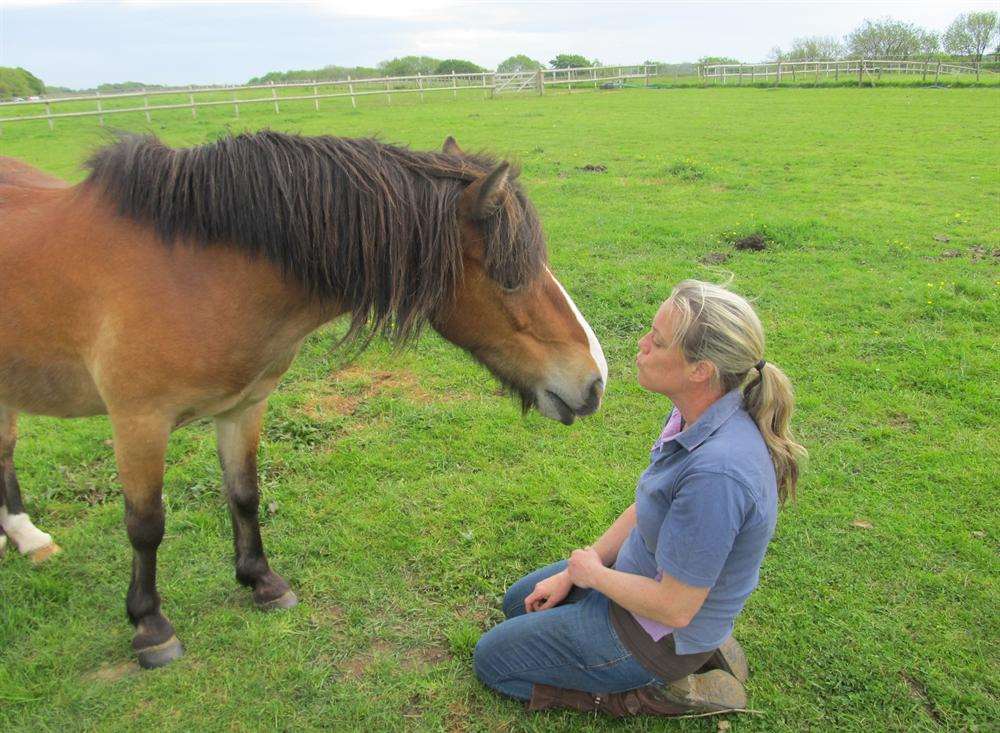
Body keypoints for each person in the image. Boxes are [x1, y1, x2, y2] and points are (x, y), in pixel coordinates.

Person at [474, 279, 807, 718]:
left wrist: (590, 574)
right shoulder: (698, 413)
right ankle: (700, 645)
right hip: (642, 581)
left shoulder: (718, 473)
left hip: (656, 632)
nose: (642, 343)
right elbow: (647, 506)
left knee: (493, 661)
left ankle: (651, 692)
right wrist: (583, 564)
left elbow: (675, 607)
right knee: (518, 604)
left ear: (700, 369)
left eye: (658, 340)